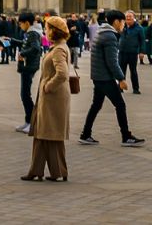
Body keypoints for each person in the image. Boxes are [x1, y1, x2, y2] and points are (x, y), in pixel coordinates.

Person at [79, 10, 145, 147]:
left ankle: (85, 134)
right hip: (104, 77)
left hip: (98, 76)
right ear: (116, 22)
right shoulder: (110, 36)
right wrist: (121, 79)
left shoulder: (102, 32)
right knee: (120, 104)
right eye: (122, 22)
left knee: (96, 105)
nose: (124, 25)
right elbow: (112, 62)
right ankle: (126, 136)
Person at [23, 16, 72, 182]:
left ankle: (58, 172)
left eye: (47, 28)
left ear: (53, 31)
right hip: (51, 97)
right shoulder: (58, 46)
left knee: (51, 134)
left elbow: (62, 74)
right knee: (42, 133)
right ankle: (37, 170)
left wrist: (48, 86)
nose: (45, 30)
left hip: (54, 97)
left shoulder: (58, 49)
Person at [14, 12, 42, 133]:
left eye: (20, 23)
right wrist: (12, 40)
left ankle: (32, 122)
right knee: (24, 94)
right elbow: (26, 44)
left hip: (28, 67)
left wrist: (23, 53)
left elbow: (36, 48)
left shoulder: (32, 33)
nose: (20, 26)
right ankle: (28, 121)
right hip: (28, 66)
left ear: (26, 23)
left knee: (25, 95)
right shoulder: (30, 33)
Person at [119, 11, 145, 95]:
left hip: (133, 53)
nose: (128, 18)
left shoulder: (139, 28)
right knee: (121, 71)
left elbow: (142, 41)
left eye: (130, 16)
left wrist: (142, 52)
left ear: (134, 18)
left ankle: (136, 88)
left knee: (133, 71)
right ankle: (120, 88)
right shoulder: (122, 27)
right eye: (126, 16)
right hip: (122, 52)